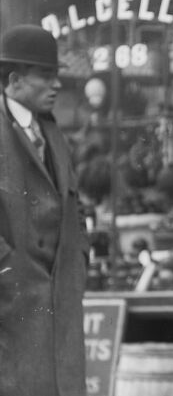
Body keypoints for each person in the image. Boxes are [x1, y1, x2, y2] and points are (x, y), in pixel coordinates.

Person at [0, 24, 88, 396]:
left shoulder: (51, 132)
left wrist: (78, 259)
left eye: (57, 76)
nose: (56, 85)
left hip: (60, 306)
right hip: (11, 307)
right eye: (46, 76)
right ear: (16, 80)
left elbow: (73, 205)